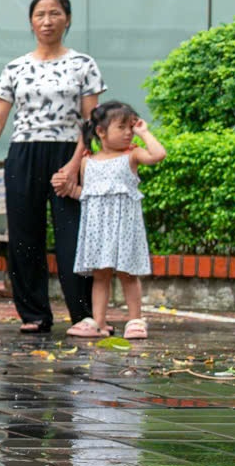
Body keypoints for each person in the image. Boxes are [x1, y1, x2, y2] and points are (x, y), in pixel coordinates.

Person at [0, 0, 105, 334]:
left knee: (72, 236)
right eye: (40, 14)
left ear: (67, 19)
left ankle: (84, 315)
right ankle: (34, 314)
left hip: (68, 153)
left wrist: (75, 165)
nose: (47, 21)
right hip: (23, 154)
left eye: (55, 13)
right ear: (31, 22)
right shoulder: (16, 67)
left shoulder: (83, 64)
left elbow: (91, 121)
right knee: (24, 237)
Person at [70, 100, 166, 341]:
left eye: (130, 127)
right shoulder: (87, 161)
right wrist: (69, 189)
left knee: (127, 273)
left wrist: (144, 132)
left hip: (125, 228)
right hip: (98, 230)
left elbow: (158, 155)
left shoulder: (132, 155)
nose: (128, 133)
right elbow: (87, 193)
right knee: (100, 275)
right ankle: (99, 322)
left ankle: (135, 320)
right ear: (101, 131)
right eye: (121, 127)